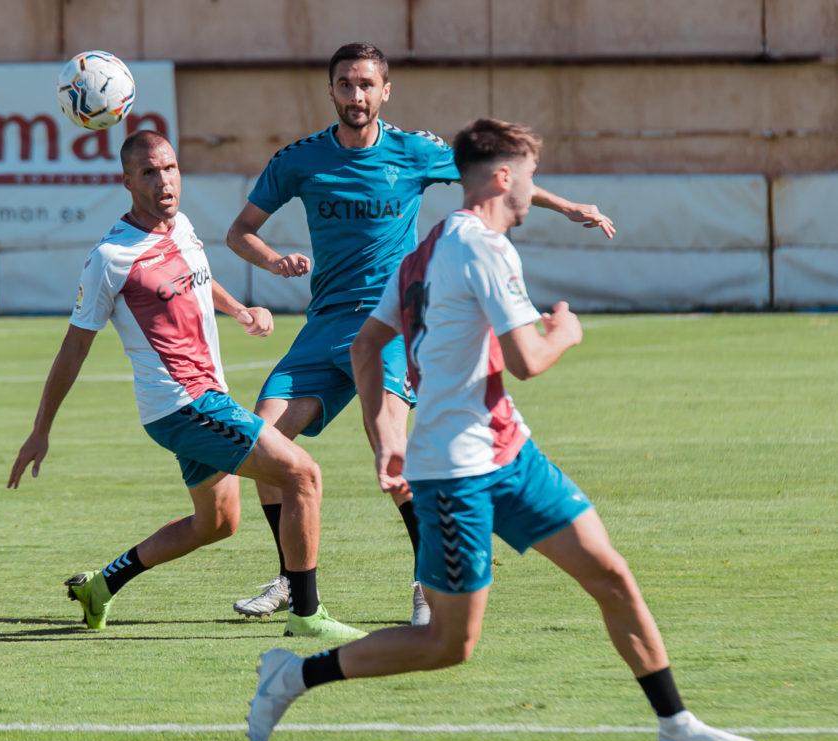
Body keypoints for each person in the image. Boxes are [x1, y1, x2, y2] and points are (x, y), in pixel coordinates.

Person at [245, 118, 758, 741]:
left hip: (511, 453)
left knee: (610, 574)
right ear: (505, 177)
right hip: (455, 472)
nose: (533, 190)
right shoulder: (482, 249)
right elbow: (528, 360)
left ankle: (676, 721)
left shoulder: (426, 248)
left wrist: (384, 432)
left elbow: (371, 344)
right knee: (447, 644)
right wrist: (566, 331)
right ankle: (293, 674)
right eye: (532, 176)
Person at [227, 42, 617, 625]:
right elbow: (240, 232)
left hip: (386, 327)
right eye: (344, 85)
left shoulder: (414, 152)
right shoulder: (299, 160)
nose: (355, 96)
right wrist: (274, 261)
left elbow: (492, 178)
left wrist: (566, 206)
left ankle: (425, 585)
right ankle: (292, 578)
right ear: (330, 90)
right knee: (266, 444)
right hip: (322, 329)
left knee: (394, 460)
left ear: (386, 91)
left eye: (366, 85)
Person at [7, 130, 364, 642]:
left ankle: (100, 588)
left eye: (170, 168)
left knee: (217, 522)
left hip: (204, 398)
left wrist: (240, 310)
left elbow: (198, 275)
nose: (164, 181)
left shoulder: (182, 226)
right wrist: (41, 430)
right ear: (126, 181)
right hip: (182, 404)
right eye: (149, 173)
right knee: (302, 475)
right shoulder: (111, 256)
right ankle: (307, 613)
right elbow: (73, 348)